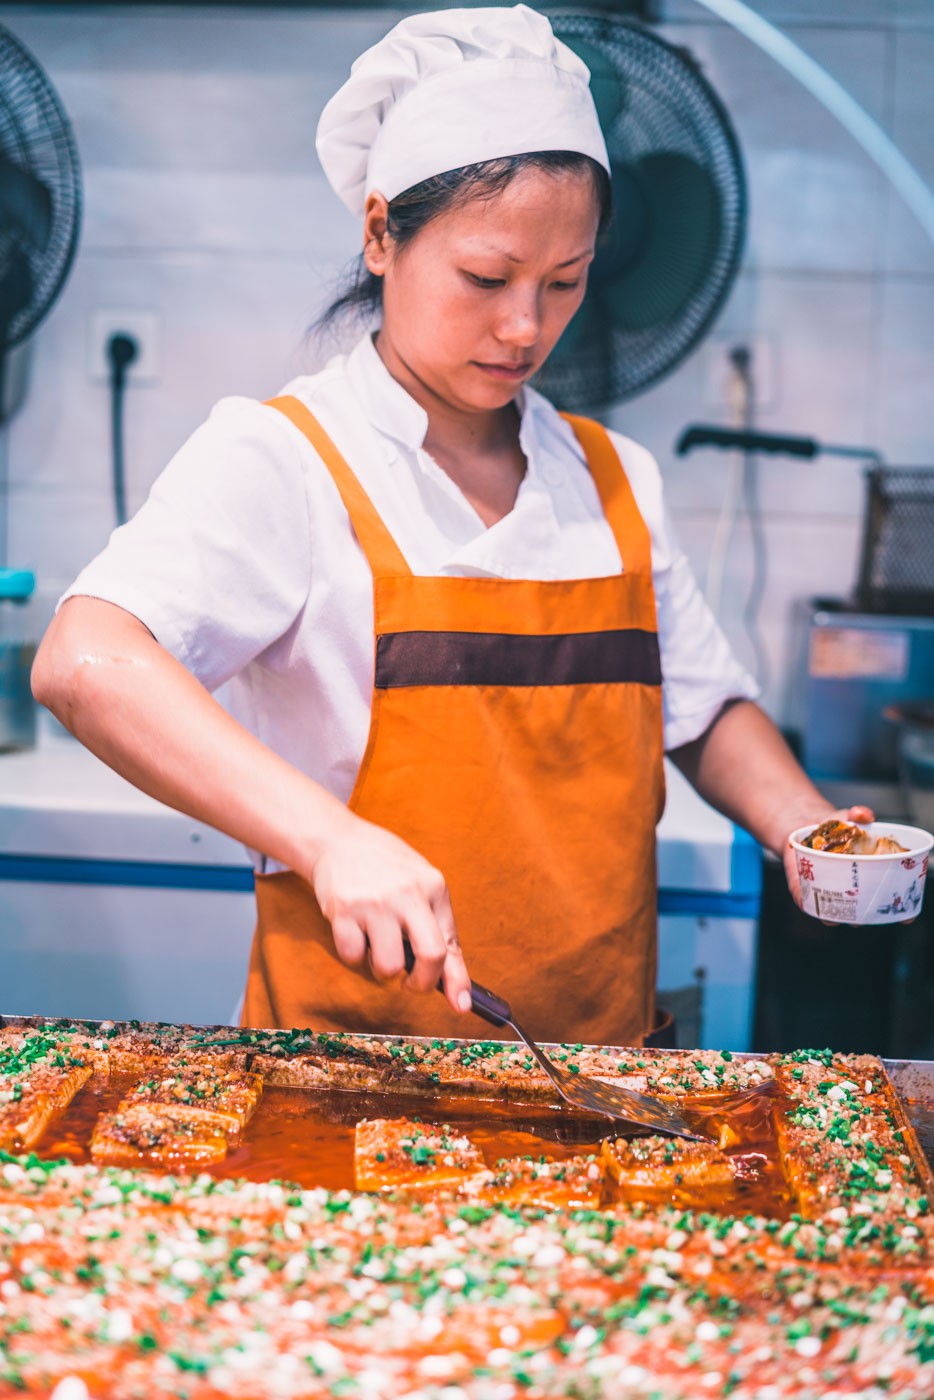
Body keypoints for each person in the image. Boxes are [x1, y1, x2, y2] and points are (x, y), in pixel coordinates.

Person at [32, 4, 868, 1047]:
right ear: (380, 233)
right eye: (486, 277)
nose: (526, 326)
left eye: (565, 282)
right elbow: (83, 659)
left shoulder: (613, 479)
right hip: (347, 1087)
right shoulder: (287, 460)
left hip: (594, 1079)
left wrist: (807, 826)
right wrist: (328, 838)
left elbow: (700, 710)